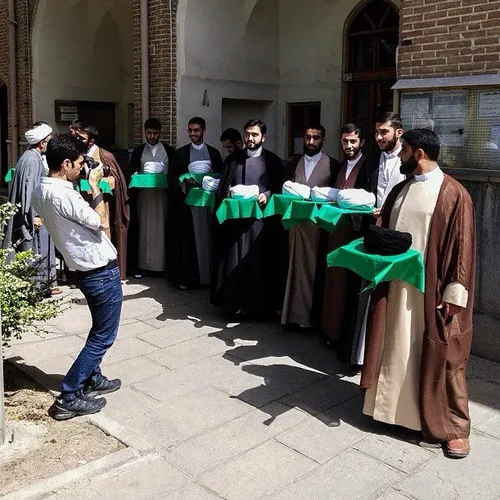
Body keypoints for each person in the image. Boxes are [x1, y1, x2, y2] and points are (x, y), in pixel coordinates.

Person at [362, 129, 476, 459]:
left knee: (446, 356)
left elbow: (463, 246)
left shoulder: (454, 193)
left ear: (420, 154)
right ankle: (389, 412)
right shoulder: (400, 188)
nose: (399, 155)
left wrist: (456, 291)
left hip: (433, 293)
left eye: (404, 150)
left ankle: (455, 427)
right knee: (393, 344)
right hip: (396, 288)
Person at [32, 134, 123, 420]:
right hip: (99, 272)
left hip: (83, 270)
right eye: (80, 164)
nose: (82, 168)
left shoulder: (41, 190)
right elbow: (102, 221)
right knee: (103, 336)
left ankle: (92, 377)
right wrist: (95, 185)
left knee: (98, 328)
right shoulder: (65, 193)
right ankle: (69, 395)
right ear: (66, 163)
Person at [211, 119, 283, 318]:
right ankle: (233, 305)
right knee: (233, 261)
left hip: (260, 224)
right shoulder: (233, 159)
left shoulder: (273, 161)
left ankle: (257, 308)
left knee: (257, 263)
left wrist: (266, 195)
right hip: (235, 222)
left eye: (254, 134)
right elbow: (222, 186)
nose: (250, 138)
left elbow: (278, 188)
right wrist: (227, 194)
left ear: (263, 137)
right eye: (247, 134)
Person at [321, 123, 373, 363]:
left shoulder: (368, 166)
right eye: (345, 141)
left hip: (354, 235)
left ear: (361, 142)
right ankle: (330, 332)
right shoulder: (340, 166)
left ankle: (345, 338)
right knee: (333, 281)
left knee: (348, 286)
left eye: (353, 141)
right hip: (336, 232)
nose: (349, 146)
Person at [281, 125, 339, 328]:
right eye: (307, 137)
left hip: (318, 230)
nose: (311, 141)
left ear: (323, 140)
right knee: (292, 270)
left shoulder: (333, 165)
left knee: (315, 273)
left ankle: (311, 319)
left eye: (316, 137)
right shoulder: (294, 162)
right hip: (295, 228)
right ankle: (292, 316)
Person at [2, 122, 58, 295]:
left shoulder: (28, 157)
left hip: (34, 213)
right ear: (42, 143)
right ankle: (37, 289)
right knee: (35, 250)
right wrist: (35, 215)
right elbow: (30, 190)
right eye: (49, 141)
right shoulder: (32, 160)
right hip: (34, 215)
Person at [169, 117, 223, 288]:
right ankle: (190, 279)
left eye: (197, 130)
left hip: (208, 204)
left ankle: (211, 277)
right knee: (189, 242)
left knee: (210, 238)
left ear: (204, 131)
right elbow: (172, 177)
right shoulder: (181, 153)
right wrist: (184, 181)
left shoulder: (214, 153)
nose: (193, 133)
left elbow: (221, 175)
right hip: (188, 205)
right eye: (190, 130)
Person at [76, 125, 130, 280]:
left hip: (101, 205)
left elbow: (117, 180)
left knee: (102, 234)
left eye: (82, 138)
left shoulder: (105, 155)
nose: (78, 140)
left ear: (91, 141)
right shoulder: (77, 155)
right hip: (82, 204)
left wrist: (101, 181)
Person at [127, 118, 176, 277]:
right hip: (144, 198)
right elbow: (130, 171)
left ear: (160, 133)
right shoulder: (138, 151)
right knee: (143, 229)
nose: (152, 136)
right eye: (149, 133)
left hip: (163, 198)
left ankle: (164, 266)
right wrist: (134, 176)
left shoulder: (169, 151)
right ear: (145, 132)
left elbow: (175, 174)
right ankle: (143, 265)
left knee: (163, 230)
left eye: (155, 133)